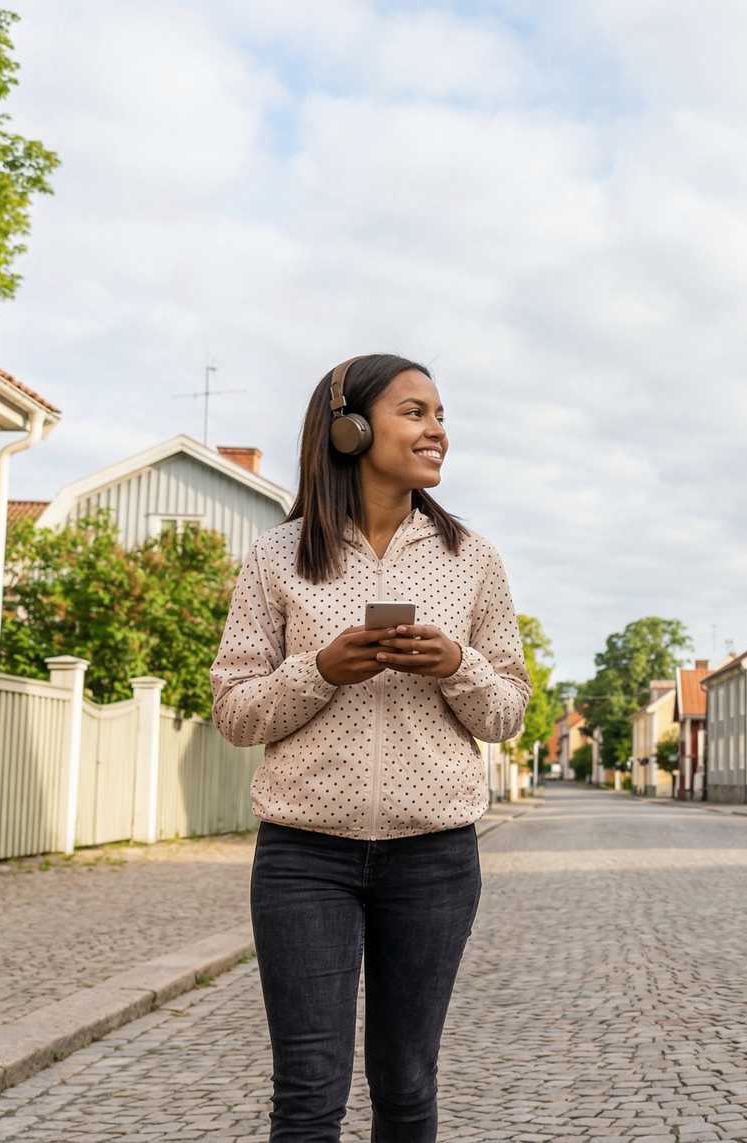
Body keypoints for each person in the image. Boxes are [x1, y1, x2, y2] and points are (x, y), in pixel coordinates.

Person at [210, 353, 530, 1141]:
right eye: (415, 412)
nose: (438, 432)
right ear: (350, 428)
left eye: (441, 415)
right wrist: (319, 671)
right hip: (304, 856)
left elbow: (509, 711)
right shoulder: (277, 558)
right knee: (309, 1093)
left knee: (408, 1083)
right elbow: (233, 709)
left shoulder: (474, 560)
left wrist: (458, 666)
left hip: (434, 858)